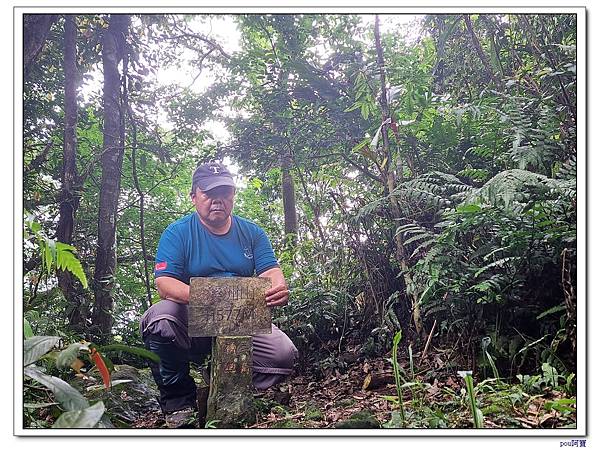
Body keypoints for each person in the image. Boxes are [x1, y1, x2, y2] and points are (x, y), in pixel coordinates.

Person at [140, 162, 298, 428]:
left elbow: (271, 271)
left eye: (225, 193)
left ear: (233, 196)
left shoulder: (252, 233)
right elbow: (165, 284)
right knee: (160, 319)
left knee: (282, 355)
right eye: (209, 193)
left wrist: (276, 289)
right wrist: (207, 297)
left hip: (239, 317)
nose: (218, 200)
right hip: (193, 316)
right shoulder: (178, 233)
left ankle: (225, 379)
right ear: (194, 197)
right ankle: (178, 400)